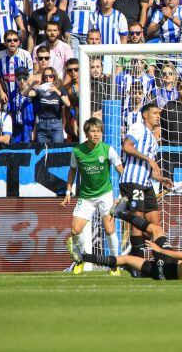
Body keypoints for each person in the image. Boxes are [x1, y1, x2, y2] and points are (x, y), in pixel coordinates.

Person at [76, 211, 182, 280]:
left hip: (169, 263)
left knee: (156, 229)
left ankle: (120, 213)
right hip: (166, 277)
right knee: (127, 259)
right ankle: (83, 257)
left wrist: (160, 250)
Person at [62, 117, 123, 275]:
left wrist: (122, 194)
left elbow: (121, 171)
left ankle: (115, 264)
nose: (96, 134)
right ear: (86, 133)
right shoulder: (77, 151)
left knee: (109, 229)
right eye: (93, 131)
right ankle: (80, 259)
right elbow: (72, 171)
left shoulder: (107, 149)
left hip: (105, 195)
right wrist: (68, 192)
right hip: (86, 196)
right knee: (75, 230)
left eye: (99, 131)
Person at [120, 101, 173, 260]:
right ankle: (137, 263)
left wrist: (160, 178)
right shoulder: (138, 127)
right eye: (155, 113)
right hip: (132, 181)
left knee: (154, 225)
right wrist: (149, 160)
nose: (158, 116)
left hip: (147, 183)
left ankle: (159, 260)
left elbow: (148, 168)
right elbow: (127, 147)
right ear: (145, 114)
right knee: (138, 221)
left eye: (159, 114)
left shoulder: (153, 139)